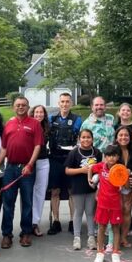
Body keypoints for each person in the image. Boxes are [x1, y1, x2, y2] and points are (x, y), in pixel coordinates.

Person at [0, 95, 42, 249]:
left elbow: (37, 146)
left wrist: (30, 164)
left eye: (23, 105)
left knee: (27, 202)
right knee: (8, 202)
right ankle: (7, 235)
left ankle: (26, 233)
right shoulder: (9, 124)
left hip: (27, 169)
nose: (20, 107)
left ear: (28, 107)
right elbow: (4, 148)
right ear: (13, 107)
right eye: (18, 105)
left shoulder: (35, 124)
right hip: (10, 168)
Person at [47, 93, 82, 235]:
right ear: (59, 103)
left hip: (70, 159)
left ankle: (73, 221)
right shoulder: (51, 119)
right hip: (55, 158)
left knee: (71, 191)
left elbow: (80, 138)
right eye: (62, 101)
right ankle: (56, 221)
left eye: (67, 102)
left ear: (71, 103)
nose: (65, 104)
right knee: (55, 191)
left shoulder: (77, 119)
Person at [64, 128, 101, 250]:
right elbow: (67, 170)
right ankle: (77, 237)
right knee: (78, 212)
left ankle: (91, 237)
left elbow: (102, 169)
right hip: (78, 188)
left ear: (92, 139)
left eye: (88, 137)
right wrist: (82, 170)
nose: (86, 139)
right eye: (83, 137)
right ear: (79, 139)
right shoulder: (74, 153)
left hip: (92, 188)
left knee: (90, 212)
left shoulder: (97, 152)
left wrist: (96, 178)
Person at [89, 146, 124, 262]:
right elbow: (90, 169)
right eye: (108, 156)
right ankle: (100, 253)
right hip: (102, 204)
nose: (111, 158)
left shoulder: (120, 169)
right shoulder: (100, 166)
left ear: (118, 157)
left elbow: (125, 185)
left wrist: (125, 182)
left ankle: (115, 253)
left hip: (115, 204)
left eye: (114, 155)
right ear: (105, 157)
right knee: (101, 228)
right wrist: (90, 180)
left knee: (115, 228)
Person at [113, 125, 132, 246]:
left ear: (130, 137)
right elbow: (106, 170)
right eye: (120, 135)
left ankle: (124, 238)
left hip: (130, 187)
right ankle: (115, 238)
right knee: (117, 211)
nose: (123, 137)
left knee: (127, 210)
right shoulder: (111, 150)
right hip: (114, 187)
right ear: (116, 137)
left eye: (126, 135)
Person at [29, 104, 51, 236]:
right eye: (36, 112)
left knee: (40, 193)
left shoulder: (47, 128)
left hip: (43, 162)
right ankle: (27, 222)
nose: (38, 115)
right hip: (30, 162)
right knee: (28, 193)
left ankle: (35, 223)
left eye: (41, 112)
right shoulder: (28, 126)